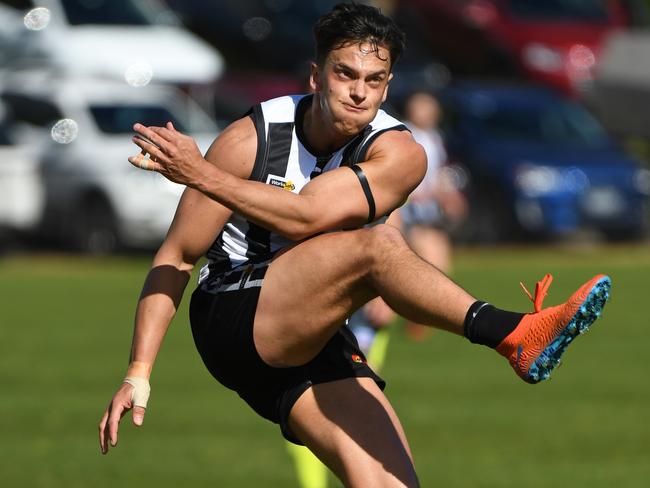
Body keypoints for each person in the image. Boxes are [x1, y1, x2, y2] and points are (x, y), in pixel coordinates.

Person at [98, 3, 611, 487]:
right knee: (377, 247)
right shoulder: (249, 140)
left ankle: (516, 336)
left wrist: (200, 174)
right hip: (233, 313)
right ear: (317, 77)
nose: (359, 93)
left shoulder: (401, 153)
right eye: (345, 74)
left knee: (390, 481)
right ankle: (512, 333)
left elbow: (309, 214)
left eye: (374, 80)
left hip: (315, 328)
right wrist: (138, 372)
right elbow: (178, 256)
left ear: (388, 87)